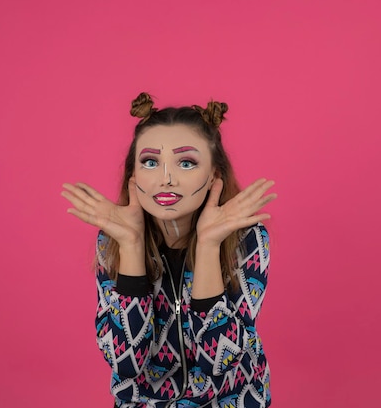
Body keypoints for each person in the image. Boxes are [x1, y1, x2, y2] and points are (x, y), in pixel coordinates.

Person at [61, 92, 276, 408]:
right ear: (134, 174)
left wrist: (208, 245)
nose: (166, 179)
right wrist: (131, 245)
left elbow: (219, 361)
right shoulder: (113, 242)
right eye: (150, 162)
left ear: (214, 174)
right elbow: (125, 363)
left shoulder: (246, 240)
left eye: (186, 162)